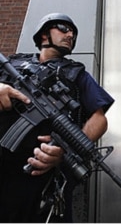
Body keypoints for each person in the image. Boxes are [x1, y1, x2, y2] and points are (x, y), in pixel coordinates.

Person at [0, 13, 114, 222]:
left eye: (73, 32)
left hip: (40, 175)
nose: (70, 34)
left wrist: (66, 149)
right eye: (63, 28)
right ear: (44, 35)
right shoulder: (14, 63)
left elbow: (99, 118)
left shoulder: (76, 73)